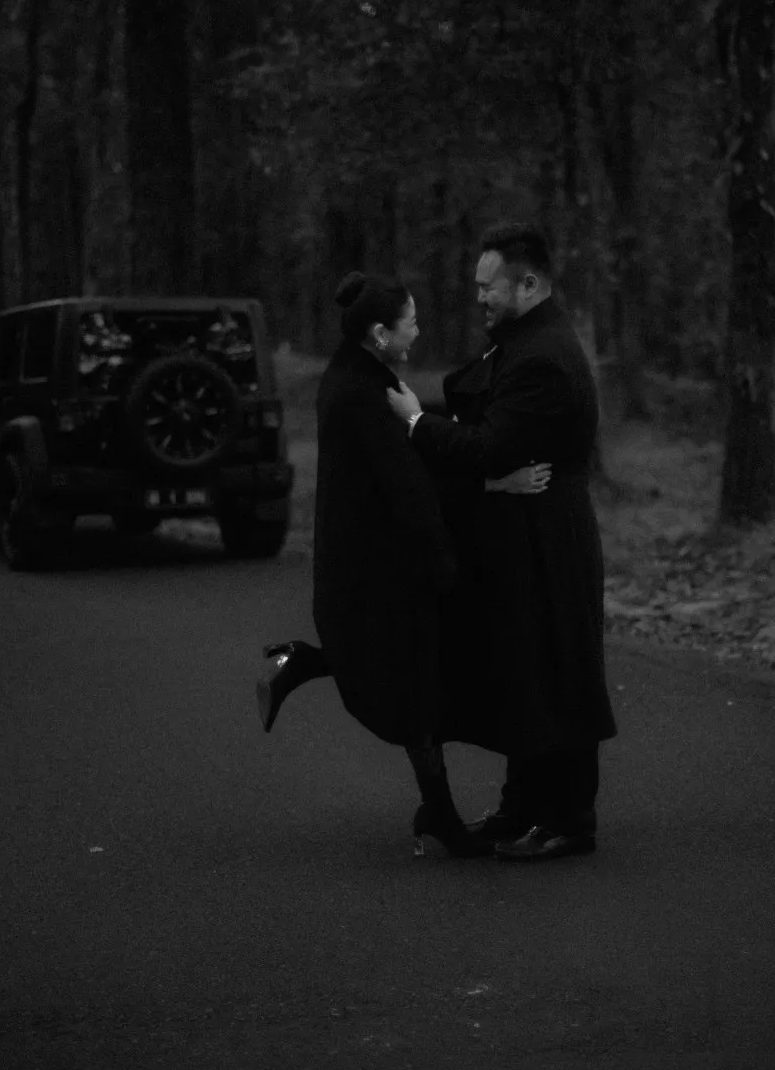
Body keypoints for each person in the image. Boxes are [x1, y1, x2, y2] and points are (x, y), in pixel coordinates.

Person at [256, 271, 545, 859]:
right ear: (380, 333)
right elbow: (407, 483)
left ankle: (303, 665)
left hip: (370, 561)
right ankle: (441, 816)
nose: (419, 330)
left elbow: (406, 458)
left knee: (400, 672)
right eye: (410, 322)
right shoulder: (361, 393)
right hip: (379, 566)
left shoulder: (359, 375)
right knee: (409, 682)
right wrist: (483, 497)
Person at [386, 222, 616, 862]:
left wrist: (415, 423)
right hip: (527, 531)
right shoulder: (521, 343)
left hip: (552, 536)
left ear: (529, 284)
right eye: (479, 285)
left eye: (490, 286)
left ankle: (568, 819)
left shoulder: (542, 357)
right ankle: (523, 807)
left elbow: (491, 445)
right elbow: (479, 416)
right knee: (527, 671)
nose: (480, 296)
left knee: (559, 671)